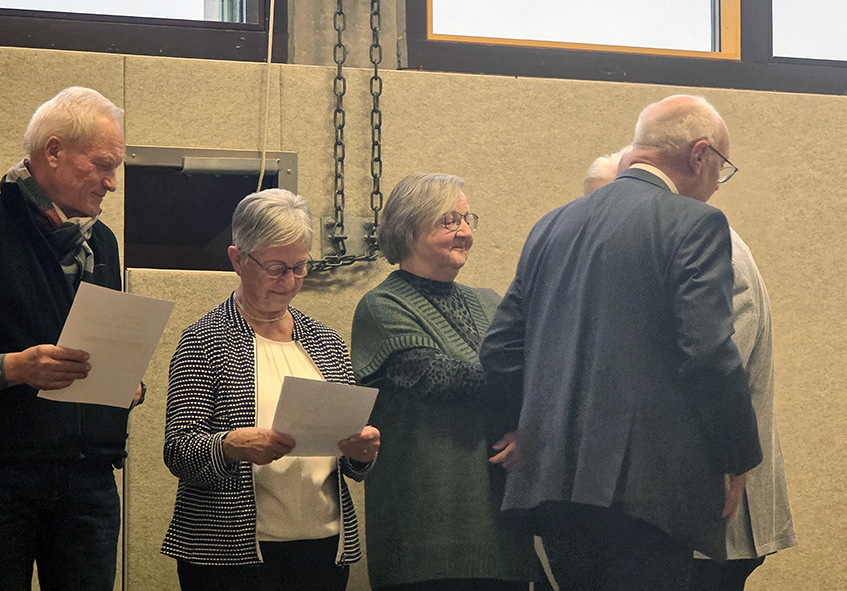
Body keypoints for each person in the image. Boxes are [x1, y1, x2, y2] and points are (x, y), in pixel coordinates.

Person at [479, 95, 763, 591]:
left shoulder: (552, 224)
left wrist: (524, 430)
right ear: (699, 155)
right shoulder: (694, 224)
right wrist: (736, 457)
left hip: (552, 487)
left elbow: (500, 349)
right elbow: (708, 355)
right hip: (649, 493)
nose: (718, 183)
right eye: (722, 166)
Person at [582, 143, 798, 590]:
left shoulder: (710, 249)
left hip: (708, 503)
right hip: (677, 507)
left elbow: (713, 371)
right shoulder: (669, 249)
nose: (600, 222)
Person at [162, 188, 380, 591]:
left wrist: (362, 452)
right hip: (228, 555)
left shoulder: (327, 342)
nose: (290, 281)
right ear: (237, 259)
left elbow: (349, 464)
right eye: (276, 268)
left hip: (323, 548)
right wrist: (230, 446)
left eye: (300, 266)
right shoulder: (204, 340)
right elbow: (178, 451)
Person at [350, 173, 537, 591]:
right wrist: (534, 384)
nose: (465, 232)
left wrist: (525, 428)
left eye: (468, 219)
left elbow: (532, 378)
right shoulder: (382, 306)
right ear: (409, 228)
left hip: (504, 535)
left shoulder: (489, 301)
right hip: (426, 540)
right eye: (449, 221)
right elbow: (445, 378)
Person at [0, 86, 142, 591]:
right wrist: (13, 368)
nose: (112, 183)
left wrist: (126, 382)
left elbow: (103, 342)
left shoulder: (101, 240)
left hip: (89, 475)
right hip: (8, 472)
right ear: (54, 151)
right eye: (103, 165)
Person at [689, 227, 798, 590]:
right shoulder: (700, 247)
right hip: (702, 518)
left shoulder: (712, 253)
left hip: (712, 513)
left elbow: (716, 375)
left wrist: (734, 462)